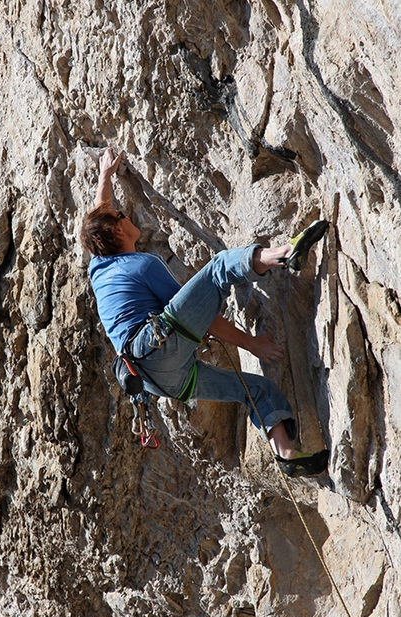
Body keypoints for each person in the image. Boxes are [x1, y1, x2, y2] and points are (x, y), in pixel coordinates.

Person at [80, 148, 329, 477]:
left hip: (156, 382)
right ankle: (285, 253)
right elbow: (199, 320)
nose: (125, 215)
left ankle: (288, 456)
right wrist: (251, 344)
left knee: (254, 390)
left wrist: (106, 175)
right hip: (157, 346)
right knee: (219, 268)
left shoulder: (99, 267)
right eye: (121, 217)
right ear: (116, 233)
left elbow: (101, 214)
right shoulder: (142, 265)